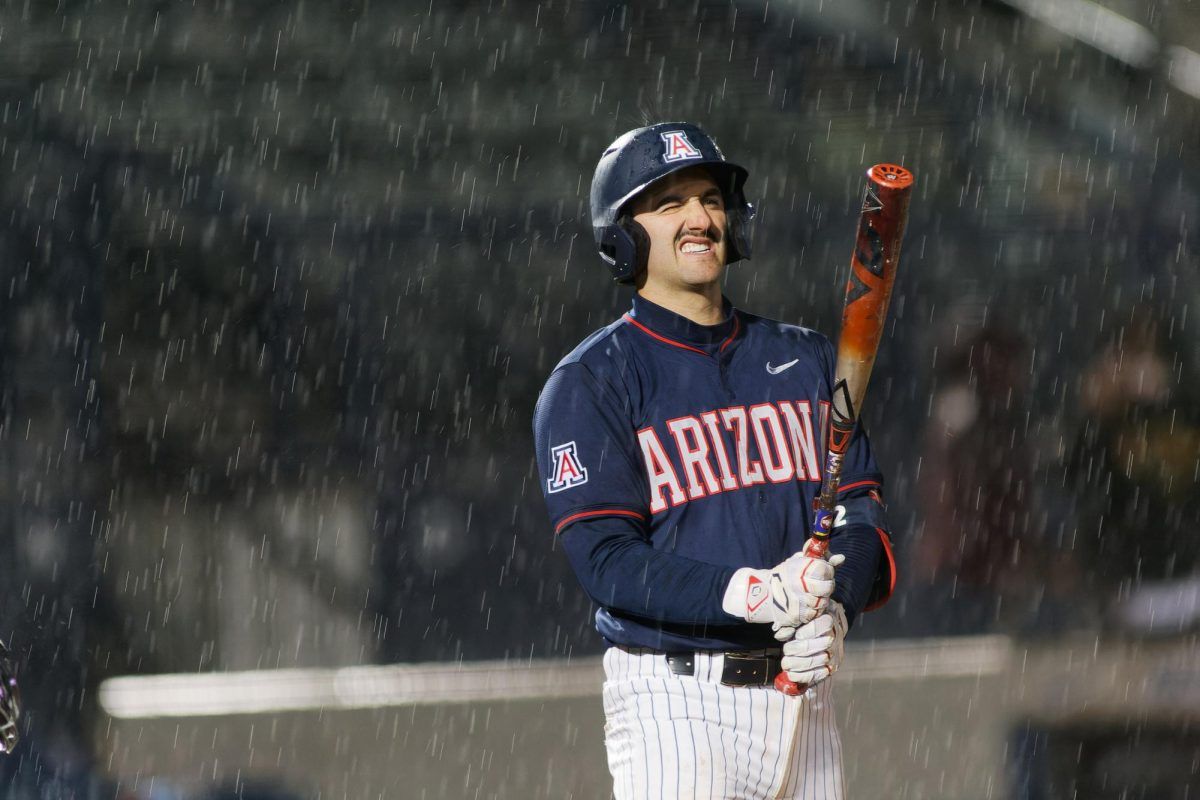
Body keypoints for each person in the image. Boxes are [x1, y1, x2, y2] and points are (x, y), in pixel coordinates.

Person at [532, 122, 896, 799]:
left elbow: (862, 511)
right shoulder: (592, 382)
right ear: (623, 235)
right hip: (676, 699)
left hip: (803, 697)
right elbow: (607, 562)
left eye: (709, 198)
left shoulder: (807, 358)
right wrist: (753, 594)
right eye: (669, 203)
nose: (700, 217)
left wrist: (836, 610)